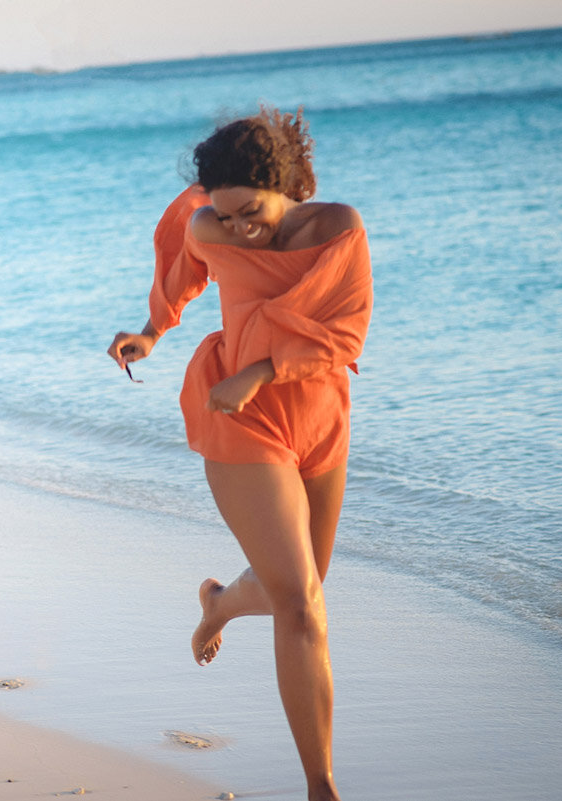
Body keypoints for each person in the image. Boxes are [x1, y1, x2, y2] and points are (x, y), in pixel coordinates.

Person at [108, 106, 371, 801]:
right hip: (236, 417)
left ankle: (221, 601)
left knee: (302, 583)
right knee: (304, 606)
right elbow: (183, 258)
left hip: (318, 415)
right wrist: (152, 332)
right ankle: (322, 786)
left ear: (287, 183)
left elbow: (346, 332)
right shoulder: (210, 227)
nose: (240, 229)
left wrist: (262, 370)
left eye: (251, 211)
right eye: (227, 216)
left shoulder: (338, 229)